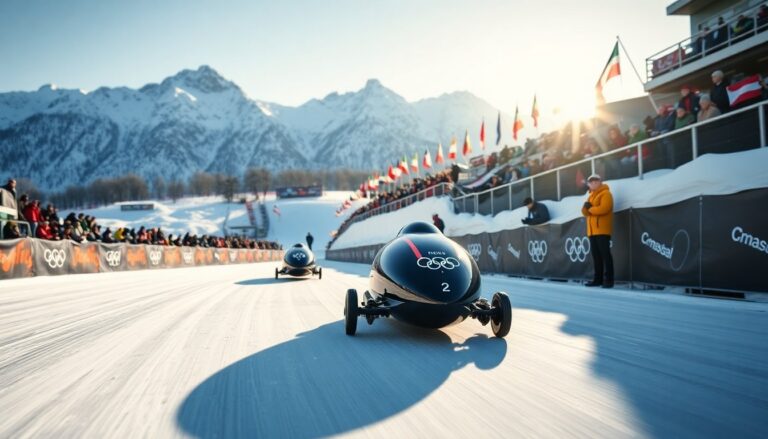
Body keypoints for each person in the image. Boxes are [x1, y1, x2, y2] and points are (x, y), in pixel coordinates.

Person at [581, 174, 614, 288]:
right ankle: (598, 279)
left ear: (600, 182)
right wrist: (586, 208)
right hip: (592, 231)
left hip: (602, 230)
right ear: (589, 184)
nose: (593, 183)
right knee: (596, 257)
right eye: (591, 181)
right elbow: (584, 213)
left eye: (596, 181)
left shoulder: (606, 194)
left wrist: (589, 208)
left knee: (605, 255)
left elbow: (604, 208)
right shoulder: (590, 197)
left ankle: (609, 280)